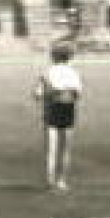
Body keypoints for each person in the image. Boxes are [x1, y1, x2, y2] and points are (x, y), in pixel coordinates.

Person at [33, 45, 82, 191]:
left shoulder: (48, 72)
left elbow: (37, 94)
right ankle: (61, 181)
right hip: (68, 108)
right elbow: (78, 94)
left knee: (51, 148)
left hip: (52, 109)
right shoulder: (73, 72)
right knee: (65, 148)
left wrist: (48, 93)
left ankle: (49, 181)